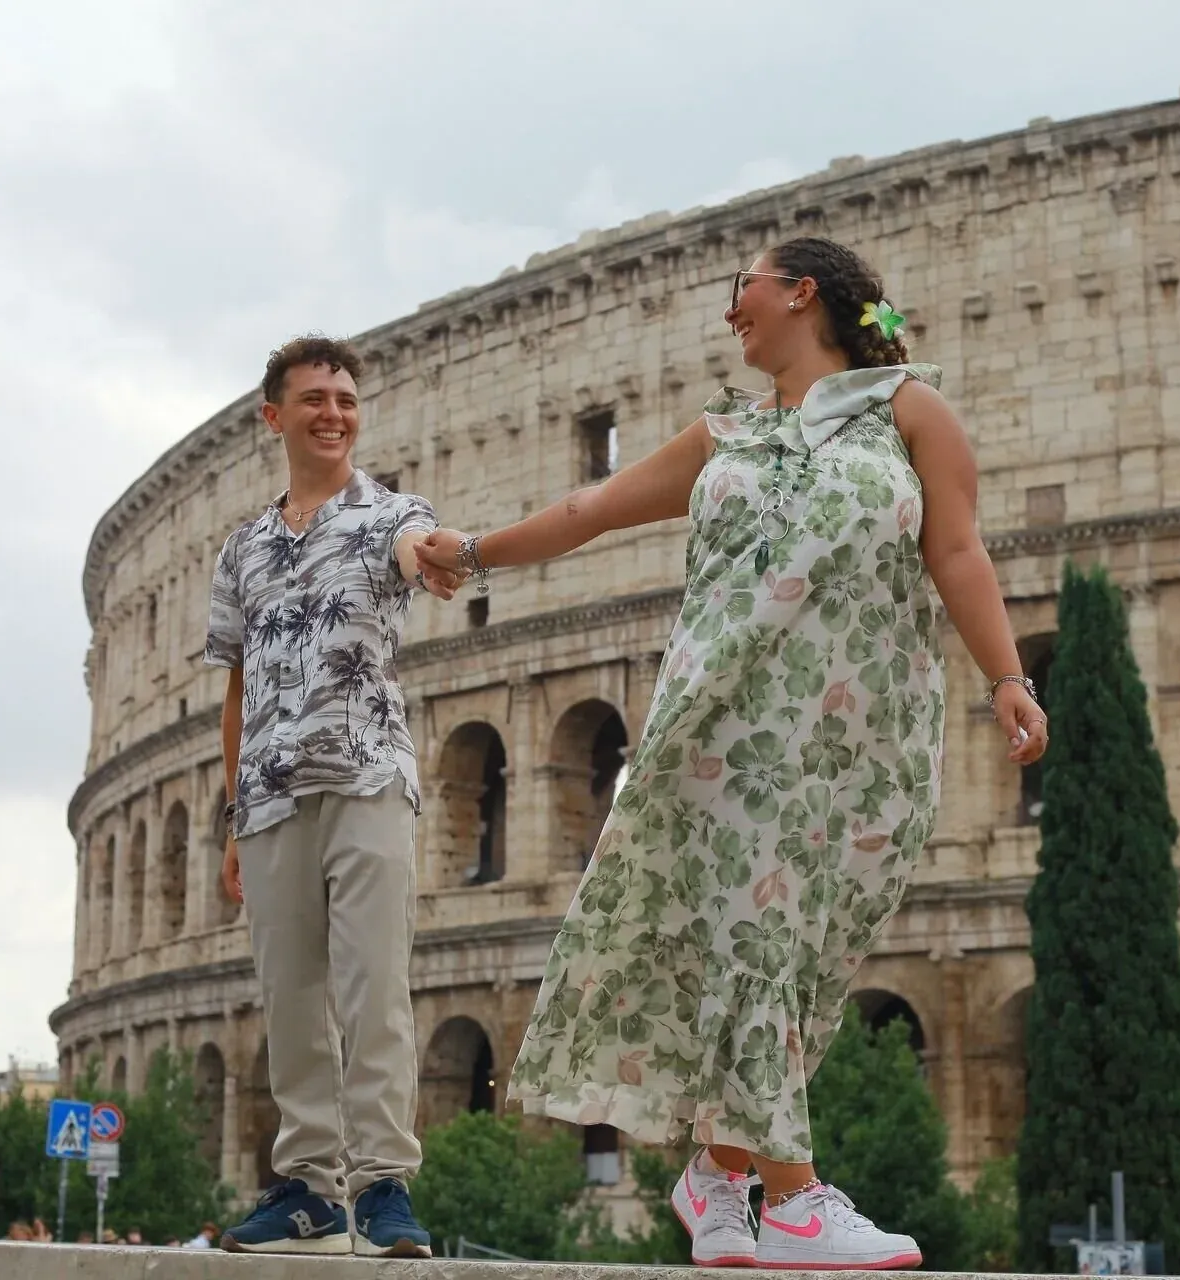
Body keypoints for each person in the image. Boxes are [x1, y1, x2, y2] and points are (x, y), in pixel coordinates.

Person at [417, 236, 1049, 1271]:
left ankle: (717, 1171)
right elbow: (589, 510)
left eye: (741, 290)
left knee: (804, 951)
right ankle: (794, 1194)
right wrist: (475, 550)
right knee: (753, 930)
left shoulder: (909, 411)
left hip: (863, 731)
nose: (729, 314)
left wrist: (1008, 674)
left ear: (801, 293)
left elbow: (958, 550)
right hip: (728, 722)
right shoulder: (725, 437)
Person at [206, 335, 462, 1258]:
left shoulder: (391, 512)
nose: (334, 413)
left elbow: (415, 549)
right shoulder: (240, 550)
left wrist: (439, 555)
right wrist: (233, 812)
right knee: (289, 994)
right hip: (270, 792)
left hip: (366, 774)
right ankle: (309, 1186)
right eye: (314, 398)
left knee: (373, 983)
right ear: (274, 416)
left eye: (347, 399)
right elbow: (234, 686)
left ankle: (384, 1181)